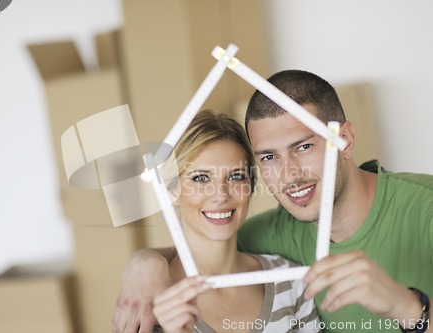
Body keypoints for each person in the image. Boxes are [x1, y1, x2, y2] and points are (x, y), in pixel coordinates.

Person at [113, 71, 432, 333]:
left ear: (344, 140)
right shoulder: (268, 236)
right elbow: (209, 246)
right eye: (269, 156)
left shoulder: (425, 208)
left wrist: (406, 307)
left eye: (304, 146)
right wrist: (145, 265)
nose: (289, 174)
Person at [132, 110, 320, 332]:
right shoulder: (148, 298)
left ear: (250, 187)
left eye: (235, 176)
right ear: (171, 190)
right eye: (201, 178)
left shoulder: (290, 283)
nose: (221, 194)